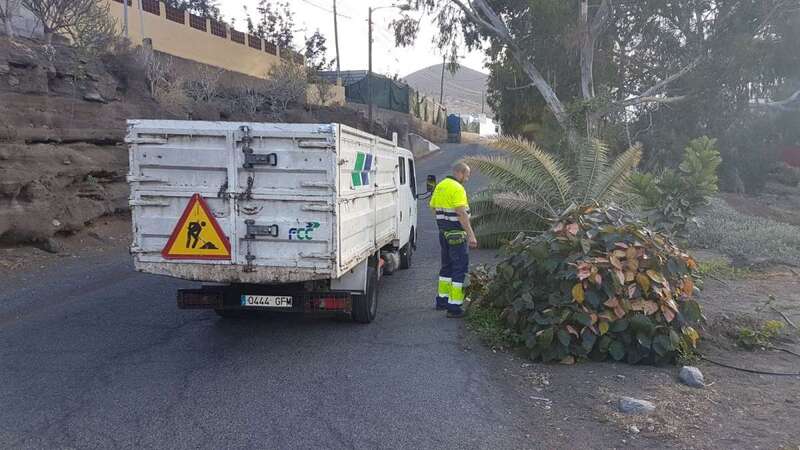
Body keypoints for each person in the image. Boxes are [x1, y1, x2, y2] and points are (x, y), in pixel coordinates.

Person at [429, 162, 478, 318]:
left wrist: (444, 224)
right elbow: (461, 213)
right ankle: (454, 307)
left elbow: (433, 207)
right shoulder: (457, 188)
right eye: (467, 175)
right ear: (460, 173)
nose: (467, 179)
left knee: (446, 267)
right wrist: (471, 235)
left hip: (443, 233)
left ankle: (442, 301)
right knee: (460, 269)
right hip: (457, 234)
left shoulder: (440, 186)